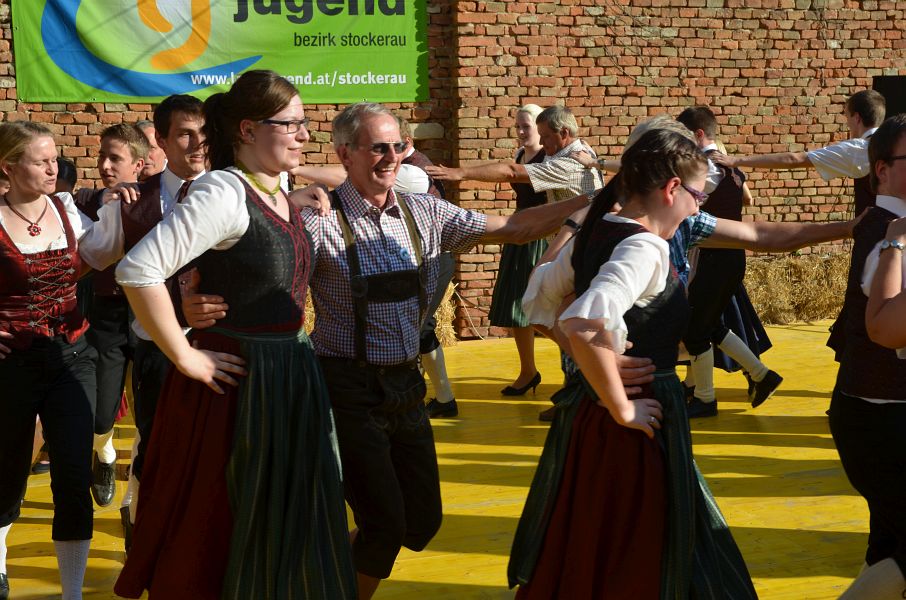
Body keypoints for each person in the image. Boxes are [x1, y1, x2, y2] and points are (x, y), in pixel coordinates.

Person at [184, 101, 596, 600]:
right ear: (345, 154)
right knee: (383, 526)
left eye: (397, 146)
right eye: (377, 148)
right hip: (346, 389)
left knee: (421, 522)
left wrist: (588, 204)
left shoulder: (425, 211)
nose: (392, 157)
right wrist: (187, 293)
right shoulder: (317, 219)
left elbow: (513, 226)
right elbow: (244, 260)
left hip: (406, 386)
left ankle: (320, 571)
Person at [112, 70, 356, 599]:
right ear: (248, 129)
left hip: (289, 374)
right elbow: (138, 270)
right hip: (240, 386)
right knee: (224, 515)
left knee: (288, 514)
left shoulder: (276, 189)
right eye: (292, 124)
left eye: (304, 123)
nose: (304, 134)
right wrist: (184, 354)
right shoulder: (223, 191)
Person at [509, 128, 757, 599]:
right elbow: (583, 321)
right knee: (639, 549)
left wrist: (596, 363)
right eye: (698, 197)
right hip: (637, 421)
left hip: (595, 415)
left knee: (599, 540)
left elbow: (539, 298)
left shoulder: (600, 228)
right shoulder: (645, 247)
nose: (698, 209)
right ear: (671, 189)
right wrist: (621, 403)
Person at [0, 121, 123, 600]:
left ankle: (72, 594)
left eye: (55, 160)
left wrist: (118, 210)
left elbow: (103, 252)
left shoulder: (66, 209)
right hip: (12, 363)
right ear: (9, 167)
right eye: (42, 161)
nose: (54, 169)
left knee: (73, 474)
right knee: (6, 471)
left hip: (72, 355)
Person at [116, 94, 207, 554]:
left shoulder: (235, 191)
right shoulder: (132, 202)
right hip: (156, 350)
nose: (198, 143)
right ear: (162, 142)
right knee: (156, 448)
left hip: (220, 346)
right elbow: (81, 255)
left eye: (203, 132)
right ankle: (148, 538)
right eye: (185, 134)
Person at [828, 113, 906, 599]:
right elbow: (887, 329)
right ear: (882, 169)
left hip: (879, 412)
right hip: (880, 417)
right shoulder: (887, 236)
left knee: (888, 544)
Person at [676, 106, 782, 417]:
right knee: (711, 325)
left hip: (713, 255)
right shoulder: (729, 166)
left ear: (698, 134)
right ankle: (762, 375)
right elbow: (744, 198)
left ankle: (705, 398)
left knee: (696, 329)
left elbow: (685, 202)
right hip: (729, 256)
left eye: (683, 138)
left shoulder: (707, 167)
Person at [75, 124, 148, 510]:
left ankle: (133, 499)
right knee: (101, 414)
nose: (104, 165)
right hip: (107, 314)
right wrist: (105, 198)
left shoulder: (156, 201)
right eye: (102, 156)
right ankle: (103, 453)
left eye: (114, 158)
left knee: (149, 414)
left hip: (150, 313)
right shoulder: (88, 199)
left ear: (138, 164)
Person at [714, 89, 886, 216]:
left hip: (877, 238)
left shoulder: (859, 149)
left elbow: (794, 159)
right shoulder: (892, 142)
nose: (847, 123)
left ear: (857, 118)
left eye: (847, 117)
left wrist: (736, 160)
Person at [487, 104, 549, 398]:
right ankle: (528, 371)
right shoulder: (519, 155)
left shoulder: (550, 158)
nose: (522, 132)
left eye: (527, 126)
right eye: (518, 127)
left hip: (544, 234)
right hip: (520, 232)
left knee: (544, 304)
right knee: (517, 306)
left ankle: (575, 374)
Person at [425, 104, 604, 204]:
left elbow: (512, 172)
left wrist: (461, 173)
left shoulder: (571, 164)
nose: (542, 142)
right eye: (518, 127)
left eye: (546, 137)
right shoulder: (577, 150)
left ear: (564, 133)